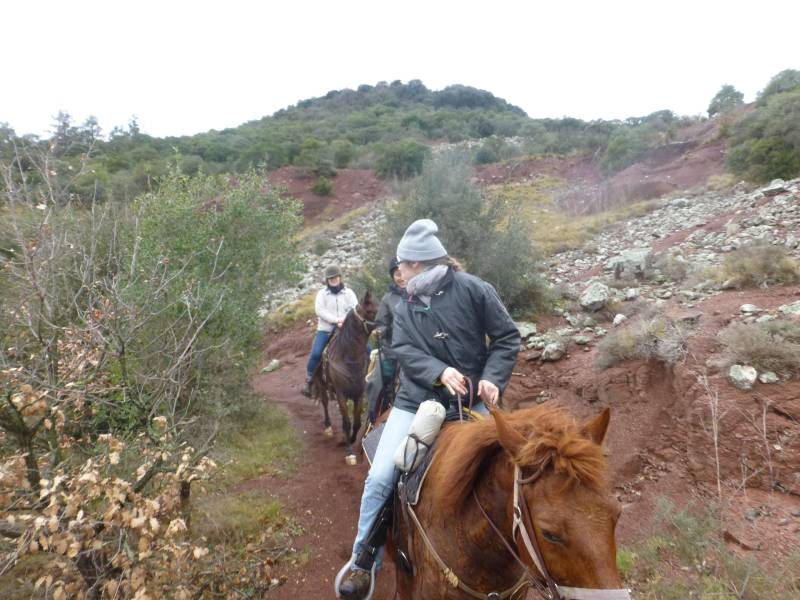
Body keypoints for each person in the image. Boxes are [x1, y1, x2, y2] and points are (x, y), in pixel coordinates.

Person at [337, 219, 521, 599]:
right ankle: (363, 561)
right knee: (382, 475)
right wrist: (440, 371)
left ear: (419, 263)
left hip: (472, 402)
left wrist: (492, 378)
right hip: (416, 401)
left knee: (512, 470)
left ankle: (523, 559)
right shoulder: (402, 302)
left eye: (402, 264)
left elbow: (507, 337)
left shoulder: (475, 289)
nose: (398, 270)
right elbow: (403, 348)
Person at [301, 264, 359, 398]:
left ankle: (366, 378)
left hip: (347, 328)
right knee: (316, 353)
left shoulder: (349, 293)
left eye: (336, 277)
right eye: (331, 278)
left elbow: (354, 308)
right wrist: (335, 320)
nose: (334, 280)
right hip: (326, 329)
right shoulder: (322, 294)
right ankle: (309, 380)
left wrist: (344, 320)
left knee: (365, 349)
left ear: (340, 277)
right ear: (327, 280)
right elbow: (320, 310)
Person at [367, 259, 406, 420]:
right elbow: (382, 322)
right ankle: (372, 417)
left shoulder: (421, 294)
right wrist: (379, 332)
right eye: (397, 274)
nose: (401, 277)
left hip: (418, 351)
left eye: (403, 273)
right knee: (376, 382)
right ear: (392, 277)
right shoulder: (388, 298)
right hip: (392, 350)